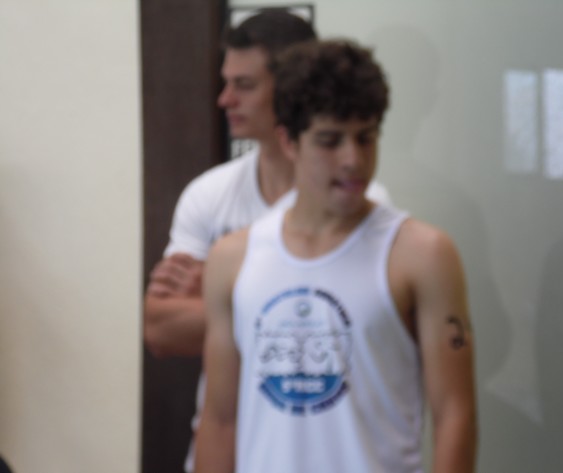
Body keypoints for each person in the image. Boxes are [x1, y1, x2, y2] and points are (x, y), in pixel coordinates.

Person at [195, 39, 477, 473]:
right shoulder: (233, 259)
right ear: (288, 141)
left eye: (366, 138)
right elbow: (219, 419)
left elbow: (455, 413)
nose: (353, 160)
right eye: (329, 141)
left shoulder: (422, 255)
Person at [142, 10, 389, 473]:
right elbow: (160, 329)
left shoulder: (362, 202)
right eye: (226, 83)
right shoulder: (209, 194)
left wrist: (223, 297)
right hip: (228, 449)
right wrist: (293, 308)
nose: (225, 99)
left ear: (291, 88)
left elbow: (348, 326)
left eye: (245, 85)